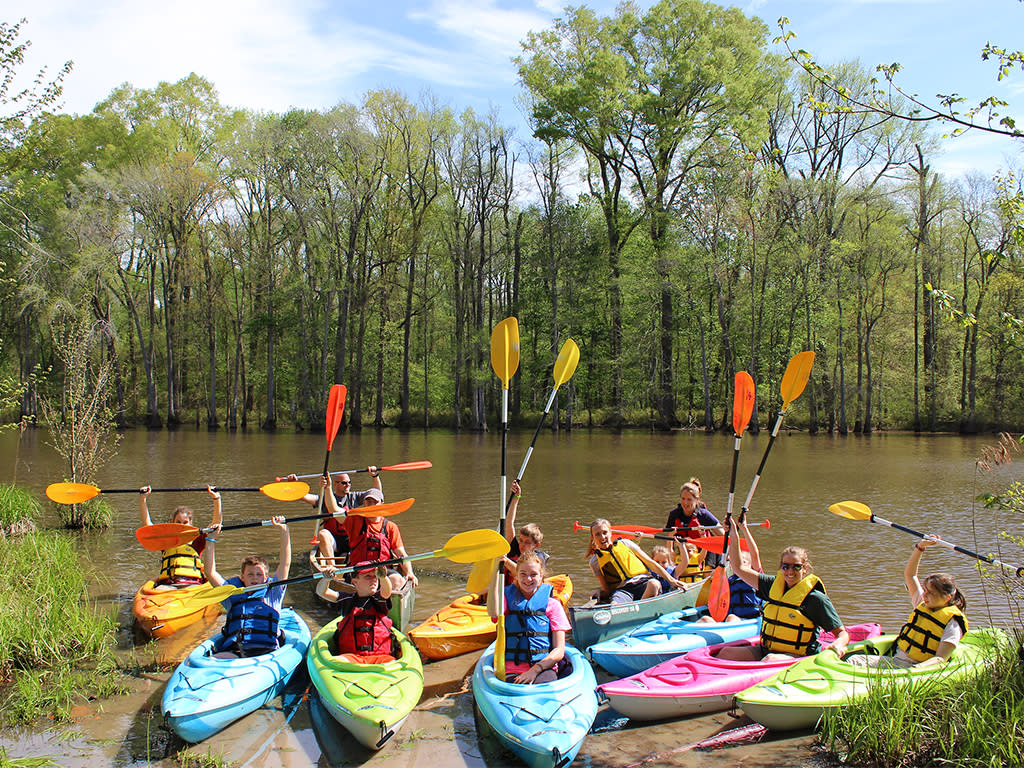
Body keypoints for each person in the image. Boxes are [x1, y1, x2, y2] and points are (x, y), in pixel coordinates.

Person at [717, 516, 849, 660]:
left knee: (769, 660)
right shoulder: (771, 585)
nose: (790, 571)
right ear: (781, 567)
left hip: (798, 656)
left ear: (804, 569)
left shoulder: (815, 599)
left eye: (796, 566)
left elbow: (842, 633)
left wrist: (839, 644)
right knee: (726, 653)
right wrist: (733, 533)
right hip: (766, 650)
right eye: (785, 566)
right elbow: (738, 568)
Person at [849, 537, 967, 669]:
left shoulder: (953, 624)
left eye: (930, 593)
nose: (924, 594)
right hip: (895, 661)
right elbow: (910, 575)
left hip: (913, 668)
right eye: (925, 590)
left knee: (854, 662)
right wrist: (920, 547)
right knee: (853, 660)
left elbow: (941, 658)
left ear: (947, 597)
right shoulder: (923, 603)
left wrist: (914, 670)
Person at [203, 515, 291, 658]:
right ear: (242, 577)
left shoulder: (273, 592)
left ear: (266, 577)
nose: (255, 578)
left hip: (266, 652)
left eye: (259, 574)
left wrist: (284, 531)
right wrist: (211, 540)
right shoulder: (232, 593)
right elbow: (210, 572)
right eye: (250, 574)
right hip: (237, 650)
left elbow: (285, 563)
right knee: (213, 661)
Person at [488, 552, 571, 684]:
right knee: (515, 689)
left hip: (543, 667)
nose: (528, 579)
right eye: (523, 574)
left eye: (533, 575)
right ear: (516, 575)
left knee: (541, 686)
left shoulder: (553, 605)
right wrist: (495, 571)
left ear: (541, 576)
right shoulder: (506, 599)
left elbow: (559, 650)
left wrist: (535, 670)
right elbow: (493, 612)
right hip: (511, 669)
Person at [321, 485, 418, 592]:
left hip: (382, 571)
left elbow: (401, 554)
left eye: (374, 502)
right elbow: (333, 508)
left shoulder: (390, 527)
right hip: (359, 570)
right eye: (368, 501)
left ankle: (388, 602)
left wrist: (409, 572)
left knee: (398, 581)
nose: (371, 505)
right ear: (364, 504)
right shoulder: (354, 521)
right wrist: (328, 488)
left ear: (382, 504)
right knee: (362, 584)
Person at [292, 467, 382, 564]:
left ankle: (369, 562)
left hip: (354, 538)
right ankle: (332, 568)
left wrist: (375, 476)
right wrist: (294, 485)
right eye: (344, 483)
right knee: (323, 533)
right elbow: (304, 496)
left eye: (349, 482)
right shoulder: (325, 497)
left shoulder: (355, 497)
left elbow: (376, 494)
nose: (348, 485)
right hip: (334, 540)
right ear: (334, 484)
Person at [139, 485, 222, 589]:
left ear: (191, 524)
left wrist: (216, 498)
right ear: (173, 523)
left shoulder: (198, 540)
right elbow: (148, 525)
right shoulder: (166, 540)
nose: (181, 525)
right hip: (168, 585)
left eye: (185, 522)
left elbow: (216, 524)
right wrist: (143, 499)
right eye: (178, 522)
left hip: (193, 585)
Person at [586, 519, 686, 604]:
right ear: (593, 538)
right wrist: (600, 592)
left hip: (643, 582)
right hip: (623, 590)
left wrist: (672, 581)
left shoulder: (626, 543)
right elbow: (607, 590)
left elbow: (651, 564)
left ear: (610, 532)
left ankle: (638, 610)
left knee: (654, 585)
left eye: (605, 532)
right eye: (597, 534)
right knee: (615, 605)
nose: (602, 537)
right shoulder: (594, 562)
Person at [695, 517, 763, 623]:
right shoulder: (728, 581)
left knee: (731, 618)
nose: (739, 564)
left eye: (743, 562)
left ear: (751, 565)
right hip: (728, 622)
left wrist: (744, 528)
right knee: (705, 619)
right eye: (734, 562)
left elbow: (754, 554)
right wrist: (730, 532)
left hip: (750, 621)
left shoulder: (755, 577)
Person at [331, 561, 399, 664]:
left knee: (392, 663)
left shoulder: (379, 599)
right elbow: (322, 592)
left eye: (375, 576)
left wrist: (383, 577)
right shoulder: (348, 599)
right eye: (368, 576)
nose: (373, 580)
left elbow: (387, 591)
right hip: (352, 658)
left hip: (380, 658)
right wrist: (327, 578)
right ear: (355, 582)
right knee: (337, 661)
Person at [665, 478, 724, 568]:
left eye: (689, 499)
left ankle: (709, 572)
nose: (685, 503)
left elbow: (723, 535)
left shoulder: (704, 515)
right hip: (682, 552)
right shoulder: (674, 514)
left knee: (712, 546)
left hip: (704, 552)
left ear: (697, 499)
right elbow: (669, 541)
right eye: (683, 499)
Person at [501, 480, 549, 584]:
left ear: (537, 545)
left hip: (527, 593)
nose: (522, 545)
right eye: (521, 540)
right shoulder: (514, 549)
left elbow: (521, 573)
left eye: (527, 542)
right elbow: (509, 523)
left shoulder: (538, 559)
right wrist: (516, 498)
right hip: (509, 592)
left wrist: (505, 560)